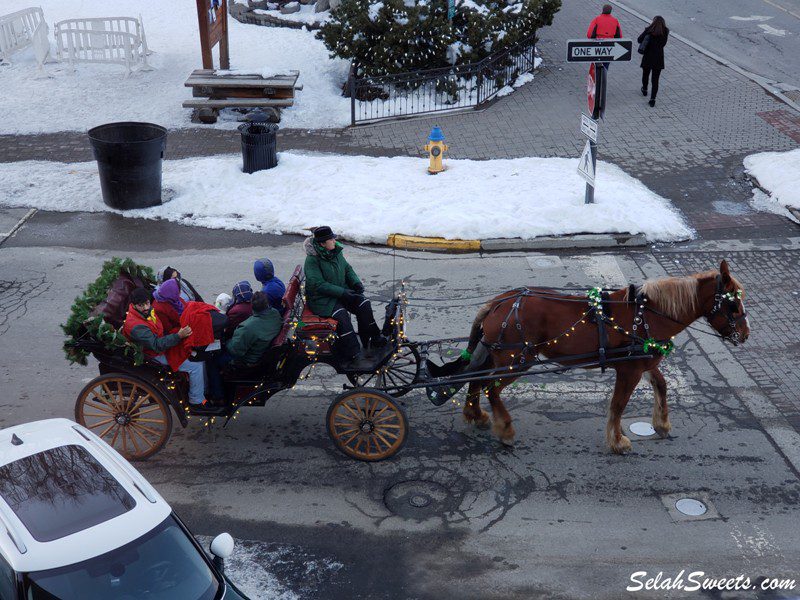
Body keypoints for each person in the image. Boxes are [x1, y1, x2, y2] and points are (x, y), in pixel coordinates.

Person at [123, 288, 215, 413]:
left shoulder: (147, 312)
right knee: (196, 365)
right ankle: (196, 400)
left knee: (198, 354)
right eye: (141, 305)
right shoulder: (136, 326)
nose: (145, 307)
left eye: (147, 303)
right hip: (153, 354)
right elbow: (156, 345)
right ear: (133, 305)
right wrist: (178, 336)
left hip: (162, 345)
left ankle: (201, 391)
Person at [304, 226, 385, 364]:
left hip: (340, 292)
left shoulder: (336, 252)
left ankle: (372, 338)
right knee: (341, 316)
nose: (334, 240)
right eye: (331, 239)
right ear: (322, 243)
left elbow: (347, 269)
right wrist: (342, 292)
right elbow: (318, 285)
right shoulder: (312, 260)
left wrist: (355, 283)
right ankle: (353, 352)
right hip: (322, 300)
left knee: (363, 304)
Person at [206, 292, 283, 399]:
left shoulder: (248, 327)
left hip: (248, 360)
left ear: (252, 307)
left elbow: (235, 351)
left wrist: (224, 343)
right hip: (261, 351)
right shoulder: (274, 314)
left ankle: (218, 396)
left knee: (212, 362)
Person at [638, 16, 669, 107]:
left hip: (648, 56)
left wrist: (647, 32)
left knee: (645, 74)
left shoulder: (649, 30)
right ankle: (652, 99)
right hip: (658, 58)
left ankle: (645, 89)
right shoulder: (665, 32)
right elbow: (663, 44)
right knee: (655, 80)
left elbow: (639, 40)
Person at [587, 4, 621, 72]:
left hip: (597, 47)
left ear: (602, 10)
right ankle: (603, 79)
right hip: (609, 48)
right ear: (610, 11)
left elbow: (589, 34)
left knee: (596, 65)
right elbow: (619, 36)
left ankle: (596, 79)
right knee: (606, 65)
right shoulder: (615, 21)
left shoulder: (597, 19)